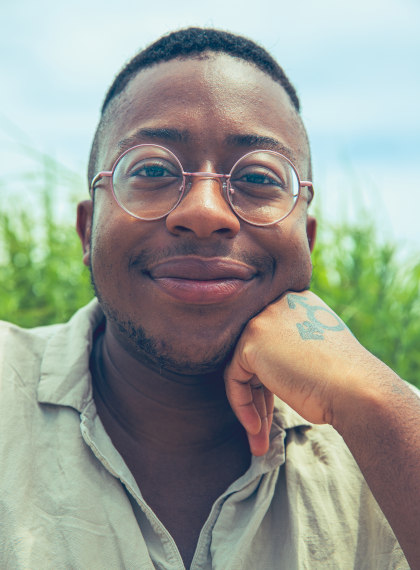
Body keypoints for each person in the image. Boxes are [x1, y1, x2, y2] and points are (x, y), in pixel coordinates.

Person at [0, 27, 419, 570]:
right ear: (88, 231)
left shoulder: (387, 426)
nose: (204, 212)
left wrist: (374, 403)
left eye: (259, 177)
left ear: (306, 243)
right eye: (151, 169)